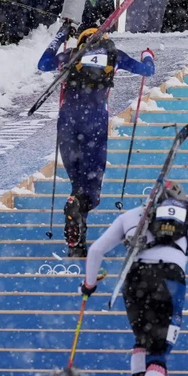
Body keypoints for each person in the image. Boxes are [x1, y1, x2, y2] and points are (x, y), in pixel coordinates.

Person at [81, 181, 188, 376]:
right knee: (159, 349)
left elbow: (96, 250)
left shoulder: (131, 216)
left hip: (135, 279)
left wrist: (89, 284)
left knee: (143, 340)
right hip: (170, 281)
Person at [37, 26, 156, 256]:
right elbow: (147, 71)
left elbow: (43, 64)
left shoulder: (71, 56)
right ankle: (77, 212)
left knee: (78, 184)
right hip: (94, 123)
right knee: (91, 189)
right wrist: (147, 55)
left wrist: (60, 35)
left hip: (68, 122)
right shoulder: (114, 56)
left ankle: (77, 241)